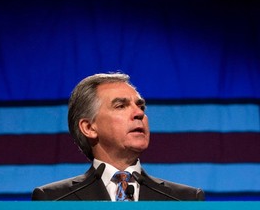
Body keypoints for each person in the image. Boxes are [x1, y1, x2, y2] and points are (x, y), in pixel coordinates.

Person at [31, 72, 205, 201]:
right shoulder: (54, 199)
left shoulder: (187, 199)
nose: (139, 113)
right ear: (89, 127)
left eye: (141, 107)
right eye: (121, 106)